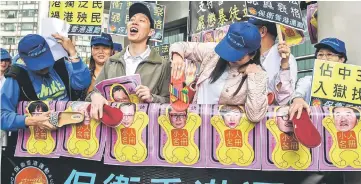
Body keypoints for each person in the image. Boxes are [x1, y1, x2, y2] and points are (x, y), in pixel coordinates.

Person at [170, 22, 268, 122]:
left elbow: (255, 116)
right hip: (196, 124)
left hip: (221, 132)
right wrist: (177, 56)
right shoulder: (213, 53)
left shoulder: (258, 75)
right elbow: (180, 46)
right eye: (229, 49)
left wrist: (254, 76)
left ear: (252, 55)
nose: (231, 58)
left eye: (238, 56)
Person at [88, 3, 170, 120]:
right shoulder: (112, 62)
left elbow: (170, 101)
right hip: (113, 127)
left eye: (142, 20)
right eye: (131, 20)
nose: (134, 22)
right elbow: (93, 93)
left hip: (144, 129)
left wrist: (152, 98)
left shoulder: (162, 64)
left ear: (151, 32)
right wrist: (95, 96)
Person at [1, 34, 91, 131]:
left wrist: (73, 53)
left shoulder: (60, 64)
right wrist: (30, 121)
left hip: (68, 130)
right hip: (36, 138)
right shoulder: (16, 76)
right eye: (37, 64)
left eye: (45, 60)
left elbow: (82, 83)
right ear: (24, 60)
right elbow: (2, 115)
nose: (43, 67)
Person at [289, 38, 348, 119]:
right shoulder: (307, 80)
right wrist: (297, 99)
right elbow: (299, 93)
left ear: (341, 59)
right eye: (320, 55)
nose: (323, 59)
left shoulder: (351, 84)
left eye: (329, 54)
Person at [248, 17, 297, 106]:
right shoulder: (248, 57)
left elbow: (284, 100)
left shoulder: (286, 59)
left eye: (249, 30)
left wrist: (285, 65)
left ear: (262, 31)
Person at [78, 33, 114, 100]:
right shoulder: (85, 74)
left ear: (111, 51)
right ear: (91, 50)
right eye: (96, 48)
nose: (101, 52)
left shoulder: (117, 74)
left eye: (105, 48)